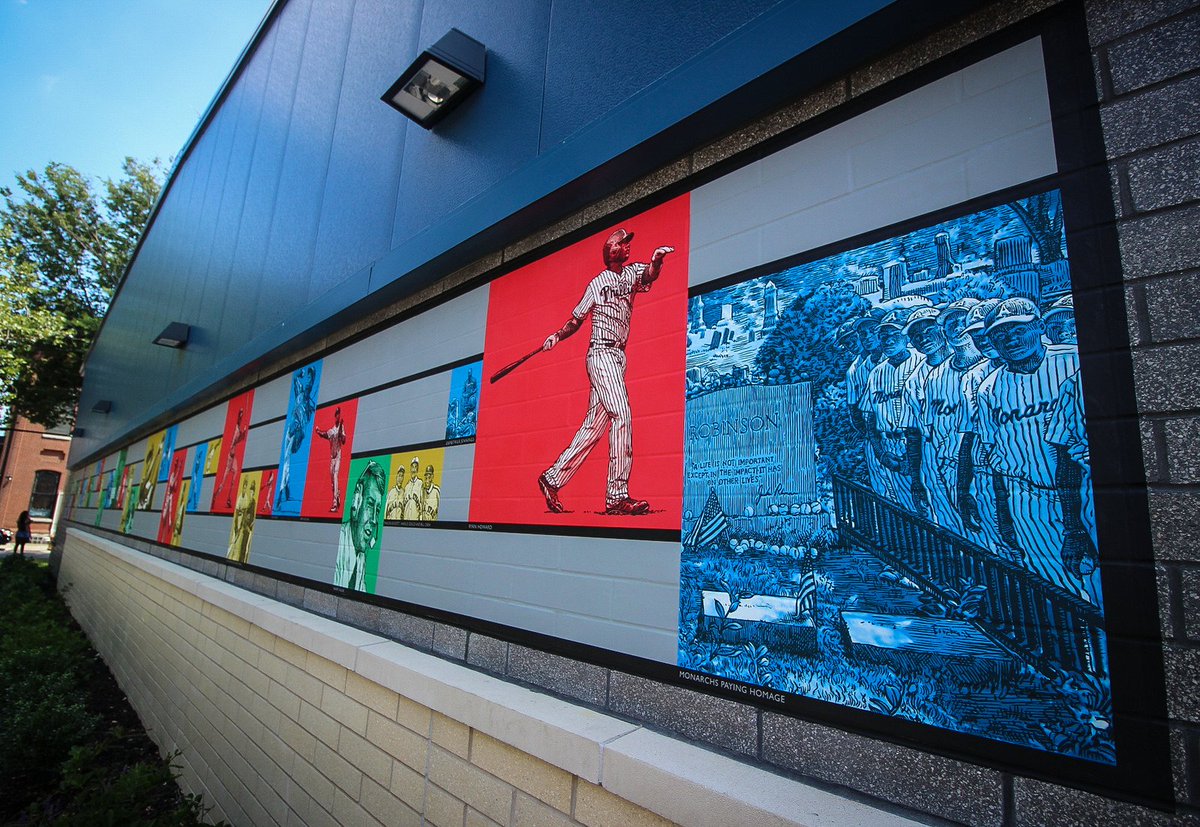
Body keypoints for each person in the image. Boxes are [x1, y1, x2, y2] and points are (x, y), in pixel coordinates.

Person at [537, 228, 674, 515]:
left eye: (627, 243)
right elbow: (576, 320)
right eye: (623, 244)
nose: (627, 247)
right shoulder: (597, 283)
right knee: (622, 415)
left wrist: (657, 260)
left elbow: (649, 275)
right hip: (600, 354)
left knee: (594, 426)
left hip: (618, 356)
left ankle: (552, 478)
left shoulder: (631, 273)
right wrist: (557, 336)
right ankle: (617, 496)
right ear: (612, 250)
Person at [974, 297, 1082, 597]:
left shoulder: (1074, 361)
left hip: (1084, 492)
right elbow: (994, 457)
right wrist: (1004, 517)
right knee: (1051, 583)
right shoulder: (988, 388)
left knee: (1099, 584)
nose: (1010, 339)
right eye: (1000, 334)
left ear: (1040, 327)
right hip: (1028, 497)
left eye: (1018, 329)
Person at [334, 461, 387, 591]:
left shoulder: (361, 558)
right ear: (356, 502)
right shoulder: (337, 543)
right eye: (370, 505)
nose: (374, 520)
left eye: (377, 510)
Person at [315, 407, 347, 512]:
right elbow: (324, 434)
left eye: (339, 414)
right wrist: (318, 431)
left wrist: (340, 432)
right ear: (335, 416)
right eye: (337, 414)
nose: (338, 415)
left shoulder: (341, 427)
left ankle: (334, 503)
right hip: (332, 458)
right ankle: (337, 494)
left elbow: (344, 441)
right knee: (332, 482)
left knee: (335, 476)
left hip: (338, 456)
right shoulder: (332, 430)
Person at [214, 407, 248, 508]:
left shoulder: (238, 429)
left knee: (235, 474)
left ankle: (228, 499)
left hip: (233, 457)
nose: (241, 417)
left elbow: (238, 440)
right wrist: (242, 435)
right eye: (240, 414)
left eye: (242, 414)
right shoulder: (236, 430)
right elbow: (234, 442)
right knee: (224, 481)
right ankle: (215, 496)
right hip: (230, 457)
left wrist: (243, 434)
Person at [228, 478, 257, 563]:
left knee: (244, 547)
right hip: (242, 524)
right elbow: (239, 513)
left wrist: (249, 526)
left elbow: (253, 516)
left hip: (247, 527)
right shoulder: (243, 499)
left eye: (252, 492)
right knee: (236, 543)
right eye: (250, 491)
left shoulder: (252, 501)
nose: (251, 493)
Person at [401, 456, 424, 521]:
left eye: (415, 467)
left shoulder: (420, 483)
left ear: (417, 470)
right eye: (412, 467)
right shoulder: (407, 486)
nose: (413, 470)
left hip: (415, 521)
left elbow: (422, 504)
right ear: (410, 469)